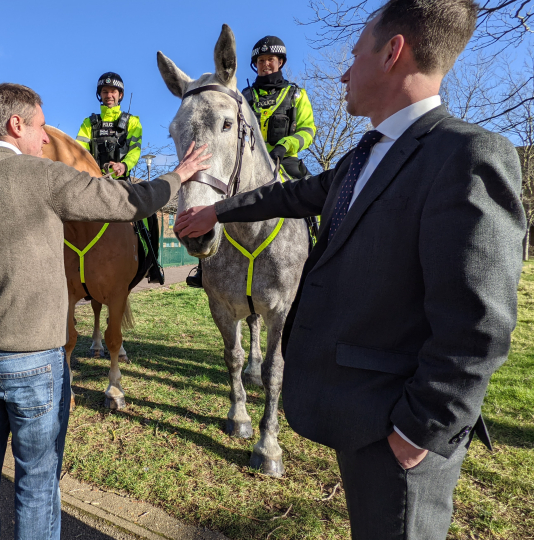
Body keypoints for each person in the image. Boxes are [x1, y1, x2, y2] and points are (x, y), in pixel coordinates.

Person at [173, 0, 525, 538]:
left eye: (355, 54)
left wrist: (417, 431)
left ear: (393, 53)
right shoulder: (365, 155)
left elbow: (480, 324)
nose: (343, 69)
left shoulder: (471, 156)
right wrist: (214, 210)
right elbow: (294, 195)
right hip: (360, 421)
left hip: (404, 438)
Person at [0, 83, 210, 540]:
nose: (44, 140)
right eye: (39, 127)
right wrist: (179, 176)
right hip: (34, 362)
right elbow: (129, 202)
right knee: (37, 484)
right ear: (16, 124)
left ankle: (148, 261)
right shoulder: (42, 175)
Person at [186, 36, 317, 288]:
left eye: (270, 60)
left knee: (312, 200)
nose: (266, 64)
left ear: (280, 62)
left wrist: (284, 147)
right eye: (261, 60)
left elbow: (308, 130)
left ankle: (318, 251)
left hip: (284, 161)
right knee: (218, 200)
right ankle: (205, 267)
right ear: (255, 65)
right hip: (247, 164)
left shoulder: (296, 94)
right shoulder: (242, 95)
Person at [76, 72, 164, 284]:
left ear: (120, 95)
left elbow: (135, 150)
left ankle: (153, 265)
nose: (109, 95)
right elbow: (79, 150)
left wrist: (123, 165)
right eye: (105, 91)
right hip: (93, 182)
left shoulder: (132, 122)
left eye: (113, 91)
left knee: (149, 215)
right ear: (100, 95)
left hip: (122, 181)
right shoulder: (89, 122)